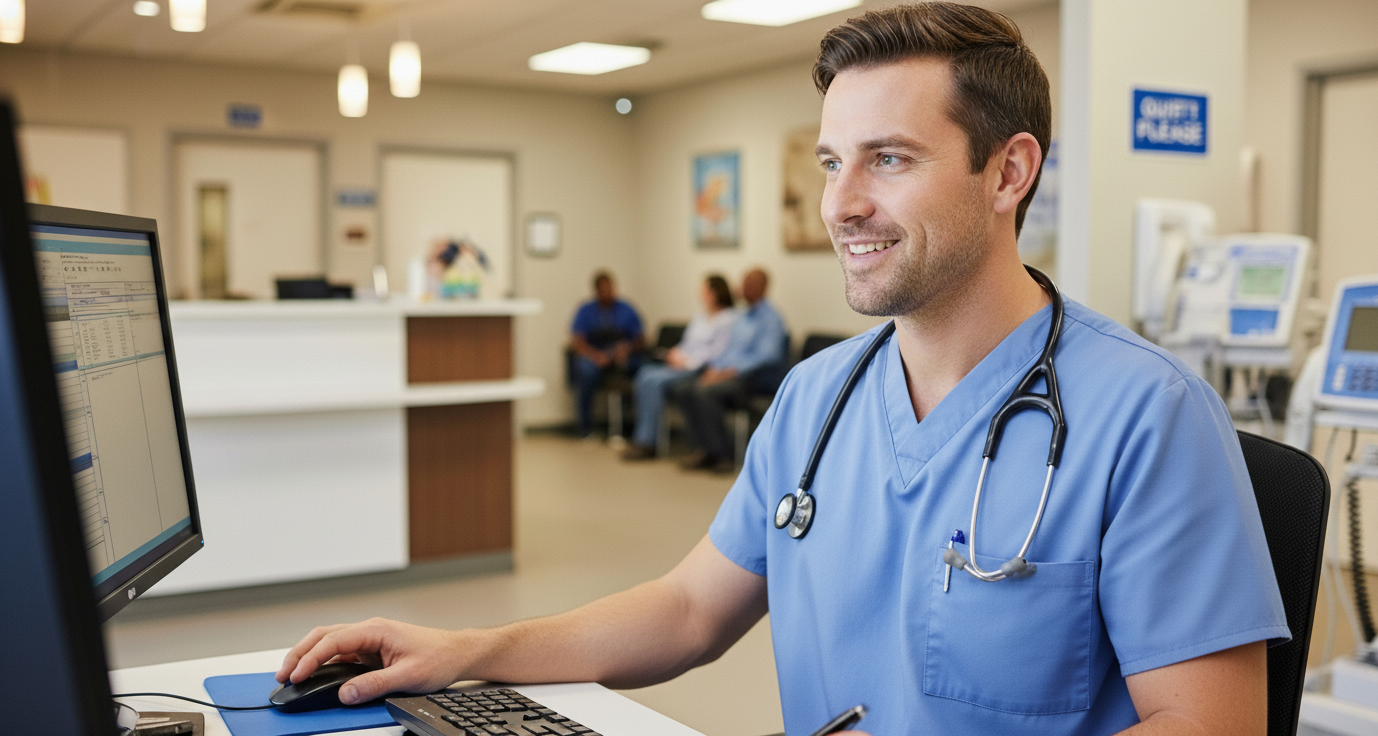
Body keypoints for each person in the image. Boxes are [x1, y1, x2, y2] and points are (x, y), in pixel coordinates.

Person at [275, 5, 1288, 735]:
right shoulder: (817, 397)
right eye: (829, 162)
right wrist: (466, 650)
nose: (839, 203)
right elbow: (687, 610)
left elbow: (1213, 724)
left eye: (886, 159)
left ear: (1008, 172)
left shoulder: (1147, 418)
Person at [670, 268, 788, 471]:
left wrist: (727, 372)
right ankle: (703, 449)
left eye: (751, 284)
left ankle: (722, 454)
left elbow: (766, 356)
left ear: (763, 288)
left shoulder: (770, 318)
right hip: (728, 372)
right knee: (684, 389)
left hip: (754, 378)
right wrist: (714, 370)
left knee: (704, 392)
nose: (745, 288)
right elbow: (728, 350)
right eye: (744, 283)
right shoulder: (741, 316)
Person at [620, 274, 737, 461]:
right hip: (682, 363)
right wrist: (674, 354)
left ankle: (647, 441)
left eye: (704, 290)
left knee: (653, 380)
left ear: (715, 293)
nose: (701, 294)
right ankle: (643, 437)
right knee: (644, 373)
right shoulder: (701, 316)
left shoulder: (728, 319)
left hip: (699, 367)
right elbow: (687, 343)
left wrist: (687, 361)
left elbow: (717, 352)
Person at [568, 271, 645, 439]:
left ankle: (636, 428)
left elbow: (641, 339)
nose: (608, 292)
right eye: (603, 289)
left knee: (643, 371)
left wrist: (627, 349)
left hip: (623, 356)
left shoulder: (627, 309)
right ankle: (586, 429)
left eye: (610, 288)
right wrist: (595, 356)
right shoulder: (585, 310)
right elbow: (576, 341)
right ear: (596, 291)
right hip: (594, 357)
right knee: (585, 370)